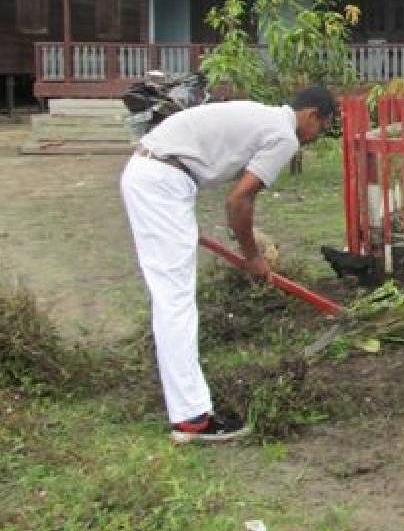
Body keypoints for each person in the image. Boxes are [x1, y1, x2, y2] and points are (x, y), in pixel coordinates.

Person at [120, 86, 336, 443]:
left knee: (171, 297)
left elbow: (237, 195)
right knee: (175, 300)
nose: (316, 137)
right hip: (162, 181)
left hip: (157, 173)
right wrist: (252, 257)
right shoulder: (283, 135)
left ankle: (186, 407)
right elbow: (239, 199)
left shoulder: (264, 116)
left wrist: (245, 238)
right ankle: (191, 418)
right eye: (322, 128)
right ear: (312, 116)